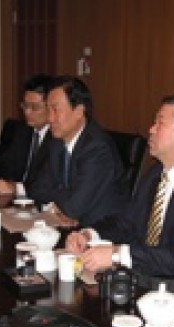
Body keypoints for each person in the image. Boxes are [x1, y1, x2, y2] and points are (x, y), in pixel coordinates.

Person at [65, 95, 174, 304]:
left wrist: (117, 254)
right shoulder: (156, 173)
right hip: (152, 281)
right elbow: (127, 222)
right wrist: (89, 234)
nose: (151, 129)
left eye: (160, 123)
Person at [26, 75, 128, 227]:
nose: (50, 118)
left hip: (101, 230)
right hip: (68, 225)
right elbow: (36, 189)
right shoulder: (56, 141)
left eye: (56, 110)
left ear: (79, 111)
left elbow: (73, 208)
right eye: (48, 109)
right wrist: (61, 203)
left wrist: (57, 199)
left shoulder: (98, 148)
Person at [0, 74, 56, 196]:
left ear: (51, 107)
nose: (27, 112)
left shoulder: (57, 136)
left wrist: (16, 188)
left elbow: (47, 183)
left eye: (35, 107)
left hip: (39, 199)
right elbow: (6, 165)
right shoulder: (22, 130)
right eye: (25, 105)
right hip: (15, 200)